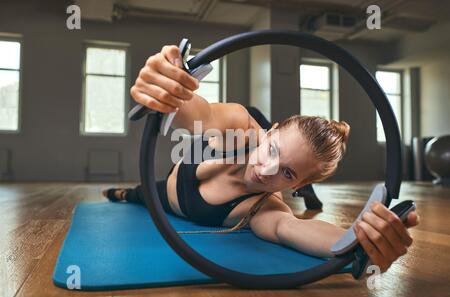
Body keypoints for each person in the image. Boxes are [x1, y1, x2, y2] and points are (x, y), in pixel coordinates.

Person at [104, 45, 419, 273]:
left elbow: (288, 228)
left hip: (178, 201)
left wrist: (363, 242)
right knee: (134, 195)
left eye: (286, 173)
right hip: (175, 181)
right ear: (271, 132)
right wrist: (169, 90)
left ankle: (298, 178)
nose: (265, 171)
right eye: (273, 151)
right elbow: (199, 113)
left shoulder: (264, 207)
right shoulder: (239, 126)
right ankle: (121, 192)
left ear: (298, 184)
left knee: (146, 196)